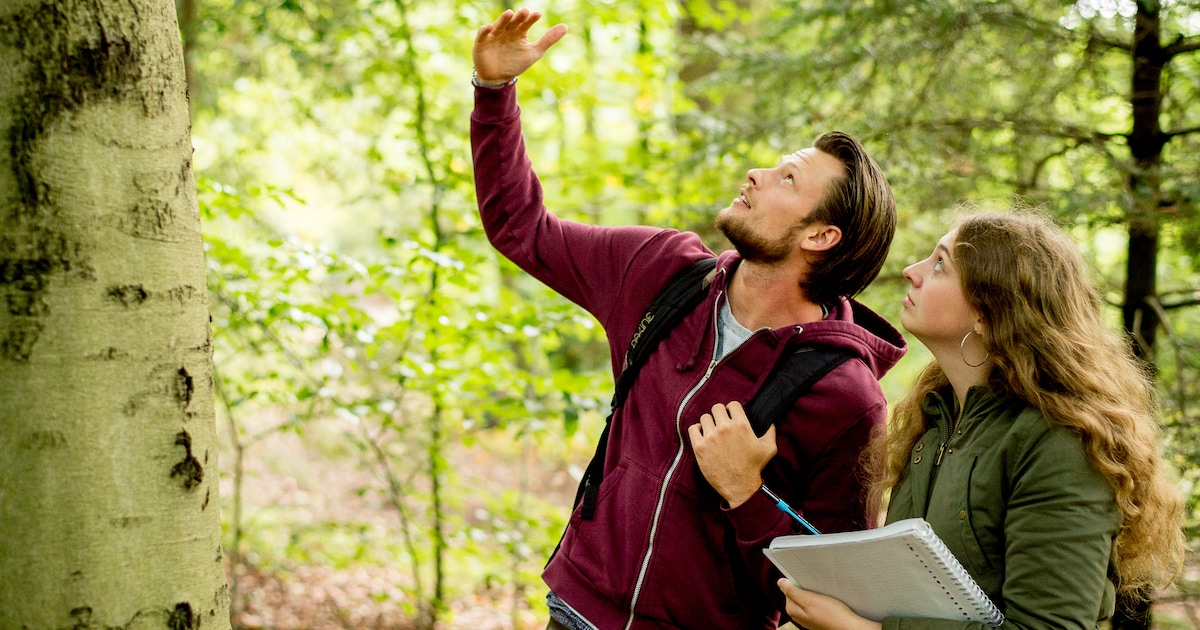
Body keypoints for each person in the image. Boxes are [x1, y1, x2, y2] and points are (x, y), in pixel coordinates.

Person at [471, 8, 907, 629]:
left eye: (788, 178)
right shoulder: (661, 271)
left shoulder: (845, 396)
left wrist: (746, 496)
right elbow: (521, 228)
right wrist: (494, 93)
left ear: (821, 235)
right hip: (578, 611)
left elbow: (832, 594)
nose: (757, 173)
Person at [695, 210, 1186, 629]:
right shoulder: (932, 420)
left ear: (988, 311)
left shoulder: (1058, 441)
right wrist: (746, 493)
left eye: (941, 265)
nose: (911, 271)